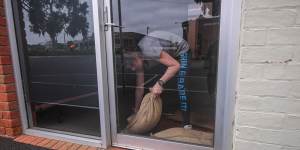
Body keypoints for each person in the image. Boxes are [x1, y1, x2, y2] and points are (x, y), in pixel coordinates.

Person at [128, 30, 191, 128]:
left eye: (132, 64)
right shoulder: (140, 56)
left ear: (137, 57)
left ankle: (186, 124)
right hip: (169, 51)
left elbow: (175, 65)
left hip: (182, 50)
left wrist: (159, 83)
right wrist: (136, 110)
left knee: (181, 86)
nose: (132, 68)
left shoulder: (147, 48)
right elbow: (139, 87)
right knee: (165, 75)